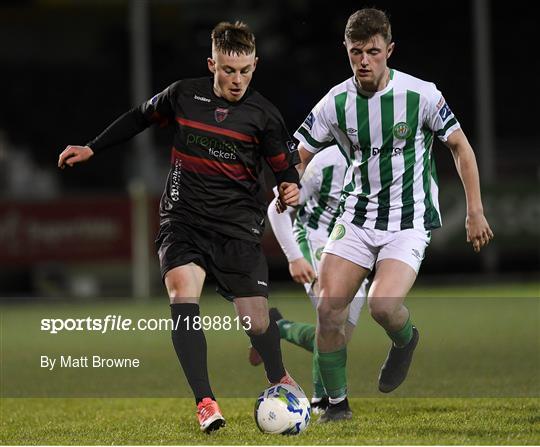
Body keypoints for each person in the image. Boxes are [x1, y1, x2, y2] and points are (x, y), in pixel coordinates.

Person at [57, 21, 301, 433]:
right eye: (227, 69)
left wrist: (289, 189)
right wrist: (93, 147)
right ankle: (205, 401)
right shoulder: (183, 95)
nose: (236, 79)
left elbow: (285, 171)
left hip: (237, 227)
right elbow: (139, 117)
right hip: (182, 219)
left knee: (256, 323)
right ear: (212, 64)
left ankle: (277, 373)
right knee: (181, 293)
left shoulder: (265, 116)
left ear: (255, 66)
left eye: (244, 71)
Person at [293, 8, 494, 422]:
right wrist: (289, 183)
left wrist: (475, 209)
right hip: (356, 217)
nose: (364, 61)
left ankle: (405, 341)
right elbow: (299, 153)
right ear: (346, 52)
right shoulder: (336, 101)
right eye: (355, 53)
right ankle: (336, 407)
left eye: (372, 51)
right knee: (329, 309)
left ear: (389, 50)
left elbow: (460, 147)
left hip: (408, 222)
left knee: (383, 306)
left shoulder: (422, 95)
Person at [249, 145, 368, 414]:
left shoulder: (383, 160)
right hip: (316, 241)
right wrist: (294, 257)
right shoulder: (325, 165)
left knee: (338, 336)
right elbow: (276, 209)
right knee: (330, 319)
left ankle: (278, 326)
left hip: (353, 248)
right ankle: (320, 400)